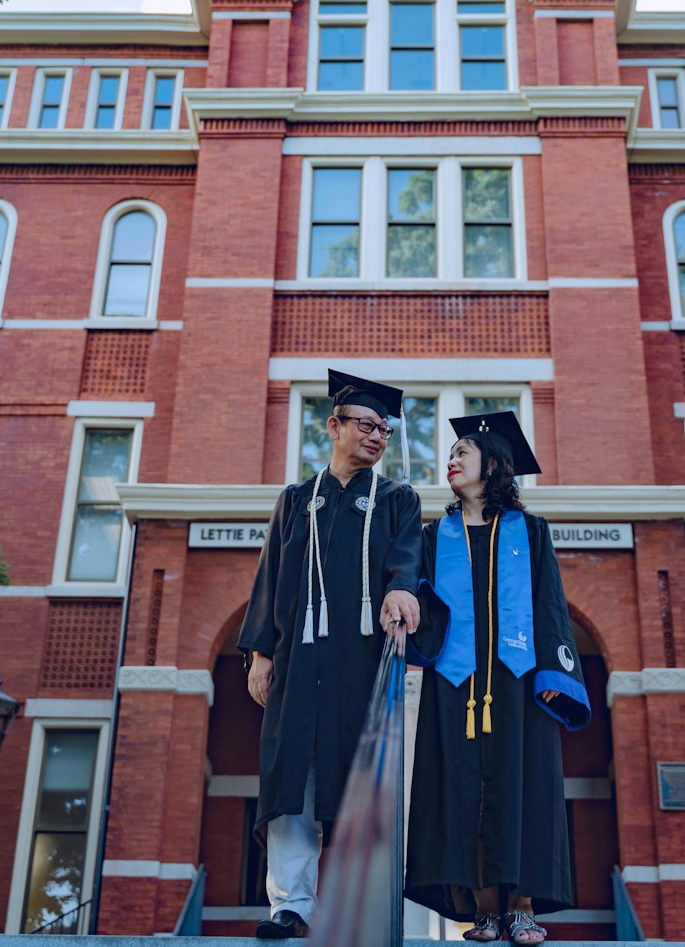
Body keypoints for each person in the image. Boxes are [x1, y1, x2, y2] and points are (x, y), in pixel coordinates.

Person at [238, 370, 422, 940]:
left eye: (384, 430)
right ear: (333, 426)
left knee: (359, 777)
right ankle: (292, 905)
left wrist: (401, 587)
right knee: (292, 779)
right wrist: (260, 654)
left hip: (360, 664)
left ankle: (360, 906)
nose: (376, 437)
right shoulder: (296, 501)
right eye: (365, 425)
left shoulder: (396, 499)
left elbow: (408, 558)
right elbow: (270, 578)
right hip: (297, 662)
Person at [405, 411, 590, 946]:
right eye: (451, 453)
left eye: (463, 450)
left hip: (519, 679)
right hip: (455, 684)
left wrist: (555, 671)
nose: (452, 459)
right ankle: (484, 909)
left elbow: (549, 603)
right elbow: (418, 599)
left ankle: (524, 909)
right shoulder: (433, 536)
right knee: (463, 789)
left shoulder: (529, 532)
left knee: (520, 783)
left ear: (493, 465)